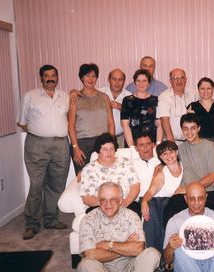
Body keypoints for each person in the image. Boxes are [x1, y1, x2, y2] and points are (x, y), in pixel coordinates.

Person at [77, 181, 160, 272]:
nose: (108, 204)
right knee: (84, 265)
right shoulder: (88, 220)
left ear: (120, 200)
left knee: (152, 253)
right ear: (99, 201)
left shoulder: (131, 216)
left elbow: (138, 249)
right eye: (103, 200)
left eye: (113, 199)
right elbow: (90, 255)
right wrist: (125, 247)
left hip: (130, 271)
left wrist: (108, 245)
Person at [17, 64, 70, 240]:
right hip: (37, 144)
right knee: (36, 184)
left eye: (53, 75)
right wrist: (41, 133)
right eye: (46, 75)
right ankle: (31, 223)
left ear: (57, 77)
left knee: (56, 185)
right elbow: (22, 122)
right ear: (41, 78)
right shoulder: (30, 96)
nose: (50, 78)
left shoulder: (65, 97)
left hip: (61, 145)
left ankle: (51, 219)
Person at [163, 113, 214, 225]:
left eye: (193, 128)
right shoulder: (179, 149)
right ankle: (174, 242)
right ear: (182, 129)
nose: (189, 132)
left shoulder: (211, 147)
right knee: (169, 213)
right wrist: (159, 166)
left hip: (209, 191)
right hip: (185, 195)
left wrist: (190, 188)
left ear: (199, 128)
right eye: (185, 129)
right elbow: (167, 159)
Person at [80, 133, 141, 217]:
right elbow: (86, 199)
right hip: (100, 206)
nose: (109, 152)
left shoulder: (125, 162)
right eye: (105, 149)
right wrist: (108, 204)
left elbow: (136, 186)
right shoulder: (89, 169)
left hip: (125, 203)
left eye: (112, 149)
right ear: (98, 152)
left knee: (133, 215)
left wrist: (126, 202)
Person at [68, 63, 114, 174]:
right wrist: (75, 148)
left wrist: (111, 143)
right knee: (83, 177)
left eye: (94, 76)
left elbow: (110, 123)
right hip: (82, 144)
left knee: (104, 175)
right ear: (81, 77)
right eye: (87, 75)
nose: (91, 79)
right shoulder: (75, 98)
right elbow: (71, 125)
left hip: (102, 142)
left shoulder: (104, 97)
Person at [141, 140, 183, 252]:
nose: (169, 156)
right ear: (161, 157)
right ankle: (153, 253)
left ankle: (170, 253)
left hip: (178, 202)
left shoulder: (186, 167)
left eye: (171, 152)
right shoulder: (161, 172)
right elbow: (151, 191)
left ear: (177, 152)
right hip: (160, 202)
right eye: (164, 154)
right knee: (151, 211)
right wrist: (144, 201)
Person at [121, 69, 163, 147]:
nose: (141, 84)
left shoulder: (155, 100)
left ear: (149, 83)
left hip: (152, 144)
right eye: (138, 81)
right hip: (133, 143)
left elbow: (159, 124)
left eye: (144, 81)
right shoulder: (127, 100)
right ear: (134, 82)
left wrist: (158, 144)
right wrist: (132, 147)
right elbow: (125, 125)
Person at [157, 68, 198, 145]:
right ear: (170, 81)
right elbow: (164, 120)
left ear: (186, 79)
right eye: (175, 78)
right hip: (173, 141)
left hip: (192, 141)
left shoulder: (194, 94)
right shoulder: (164, 96)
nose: (179, 81)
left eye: (182, 78)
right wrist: (172, 144)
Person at [187, 77, 214, 145]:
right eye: (202, 88)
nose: (205, 91)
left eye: (209, 88)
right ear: (198, 90)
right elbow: (190, 128)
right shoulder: (192, 106)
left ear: (213, 89)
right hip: (198, 143)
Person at [99, 68, 131, 148]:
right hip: (101, 137)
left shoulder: (129, 96)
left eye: (120, 79)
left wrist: (122, 108)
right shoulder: (99, 93)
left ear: (124, 81)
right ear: (109, 80)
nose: (117, 83)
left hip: (121, 137)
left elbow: (134, 116)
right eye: (114, 79)